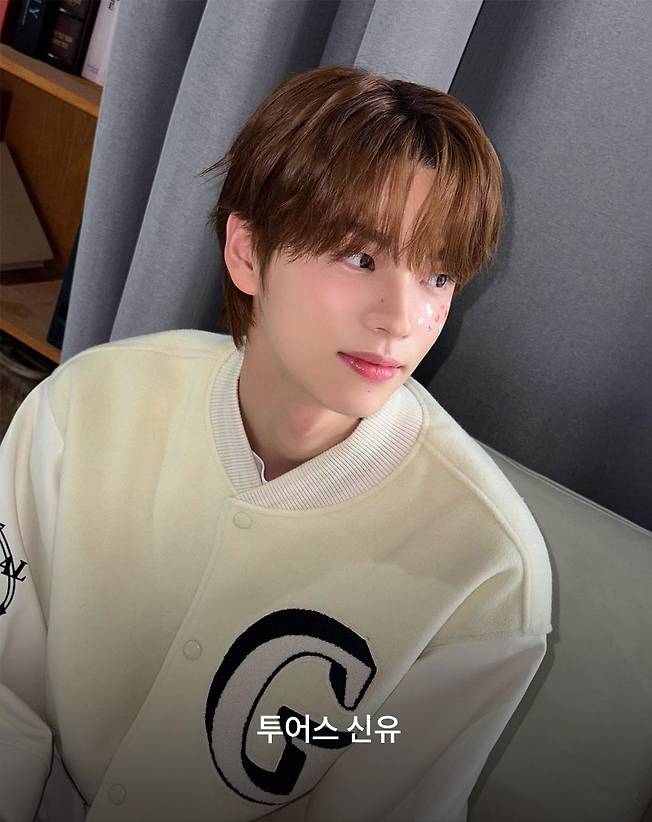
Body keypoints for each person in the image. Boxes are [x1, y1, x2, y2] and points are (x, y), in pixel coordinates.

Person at [0, 64, 552, 822]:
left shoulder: (487, 570)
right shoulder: (84, 407)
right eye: (361, 258)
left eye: (438, 275)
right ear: (246, 252)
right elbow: (8, 692)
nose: (400, 319)